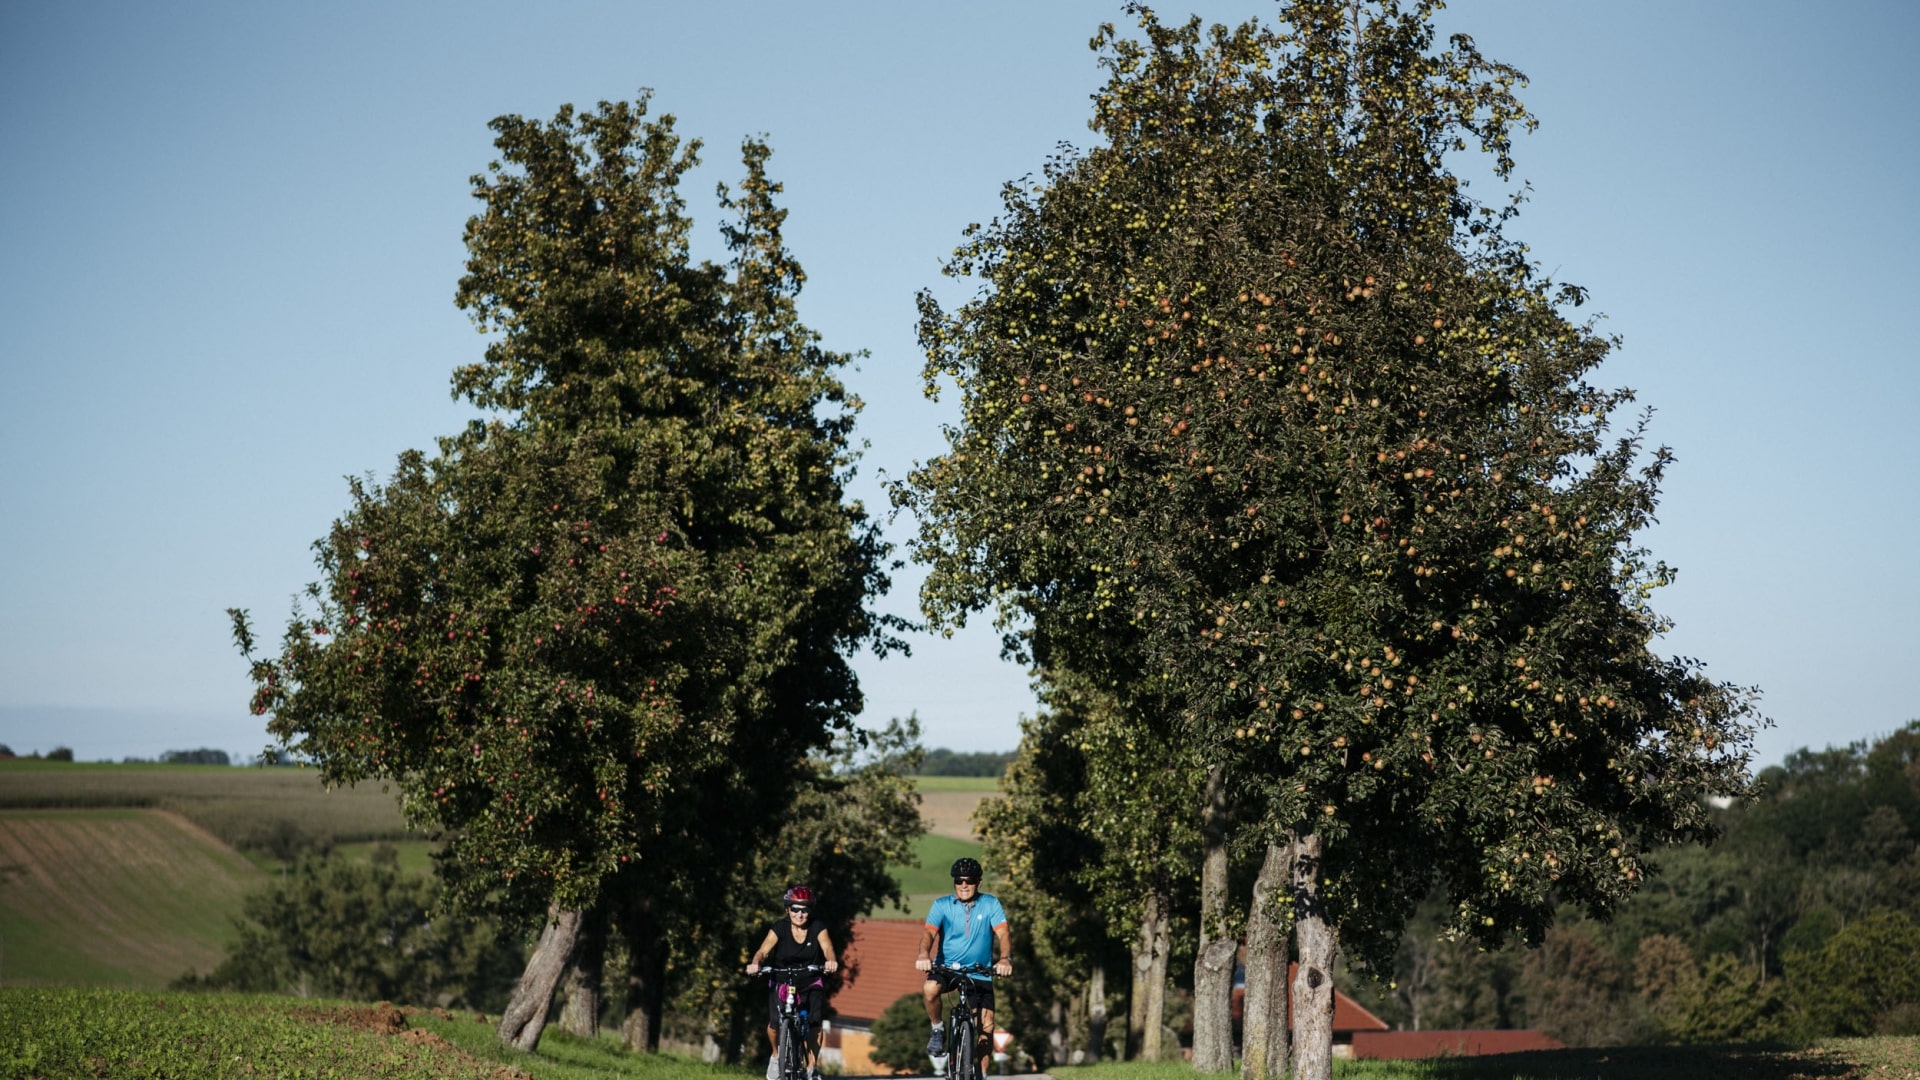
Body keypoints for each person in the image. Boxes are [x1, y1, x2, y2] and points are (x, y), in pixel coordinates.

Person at [914, 858, 1012, 1068]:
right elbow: (928, 934)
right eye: (959, 880)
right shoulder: (941, 905)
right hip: (947, 968)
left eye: (969, 880)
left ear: (979, 882)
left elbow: (1003, 933)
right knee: (930, 988)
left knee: (986, 1027)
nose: (964, 885)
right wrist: (923, 955)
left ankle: (981, 1075)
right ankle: (938, 1028)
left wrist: (1004, 959)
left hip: (979, 971)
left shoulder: (990, 904)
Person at [747, 885, 839, 1080]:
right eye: (795, 909)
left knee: (814, 1023)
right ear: (787, 909)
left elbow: (827, 947)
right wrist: (756, 963)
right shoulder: (779, 928)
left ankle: (812, 1067)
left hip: (810, 981)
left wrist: (831, 960)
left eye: (804, 910)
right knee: (774, 1024)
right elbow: (763, 951)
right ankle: (775, 1055)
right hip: (781, 981)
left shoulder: (817, 928)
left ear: (810, 911)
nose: (800, 914)